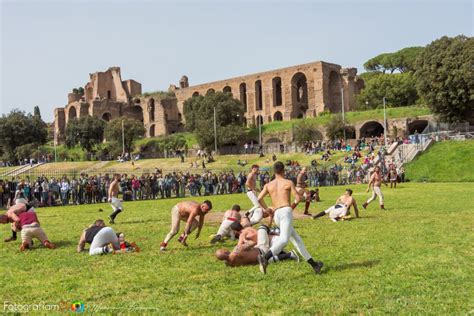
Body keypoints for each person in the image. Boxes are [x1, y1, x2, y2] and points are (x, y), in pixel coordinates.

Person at [256, 161, 324, 274]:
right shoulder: (288, 182)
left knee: (298, 241)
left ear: (274, 171)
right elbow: (297, 198)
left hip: (276, 214)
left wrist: (267, 209)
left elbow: (259, 198)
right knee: (284, 240)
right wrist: (294, 204)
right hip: (285, 212)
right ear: (284, 170)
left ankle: (314, 265)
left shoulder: (268, 185)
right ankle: (265, 258)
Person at [215, 224, 298, 267]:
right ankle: (273, 231)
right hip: (262, 250)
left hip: (256, 261)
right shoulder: (237, 250)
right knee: (262, 227)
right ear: (225, 251)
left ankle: (288, 254)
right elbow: (253, 243)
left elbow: (226, 261)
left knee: (268, 259)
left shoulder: (231, 264)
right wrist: (248, 240)